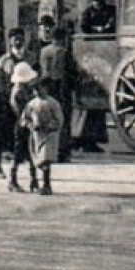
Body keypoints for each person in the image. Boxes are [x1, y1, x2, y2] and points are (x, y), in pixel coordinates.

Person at [37, 23, 76, 165]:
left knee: (47, 119)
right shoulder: (64, 52)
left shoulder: (43, 51)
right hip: (62, 87)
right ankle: (62, 153)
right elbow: (71, 72)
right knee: (63, 120)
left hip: (47, 87)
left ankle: (47, 152)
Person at [21, 81, 67, 195]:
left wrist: (49, 126)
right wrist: (30, 125)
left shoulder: (52, 103)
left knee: (46, 159)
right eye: (35, 90)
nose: (37, 91)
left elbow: (59, 119)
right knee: (34, 159)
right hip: (35, 136)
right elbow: (24, 119)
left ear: (46, 89)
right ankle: (33, 181)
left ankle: (47, 185)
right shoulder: (31, 104)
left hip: (49, 135)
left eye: (40, 88)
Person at [6, 63, 39, 194]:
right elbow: (24, 110)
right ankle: (13, 181)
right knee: (20, 153)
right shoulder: (19, 92)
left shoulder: (21, 89)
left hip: (23, 124)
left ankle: (33, 180)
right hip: (23, 125)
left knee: (31, 154)